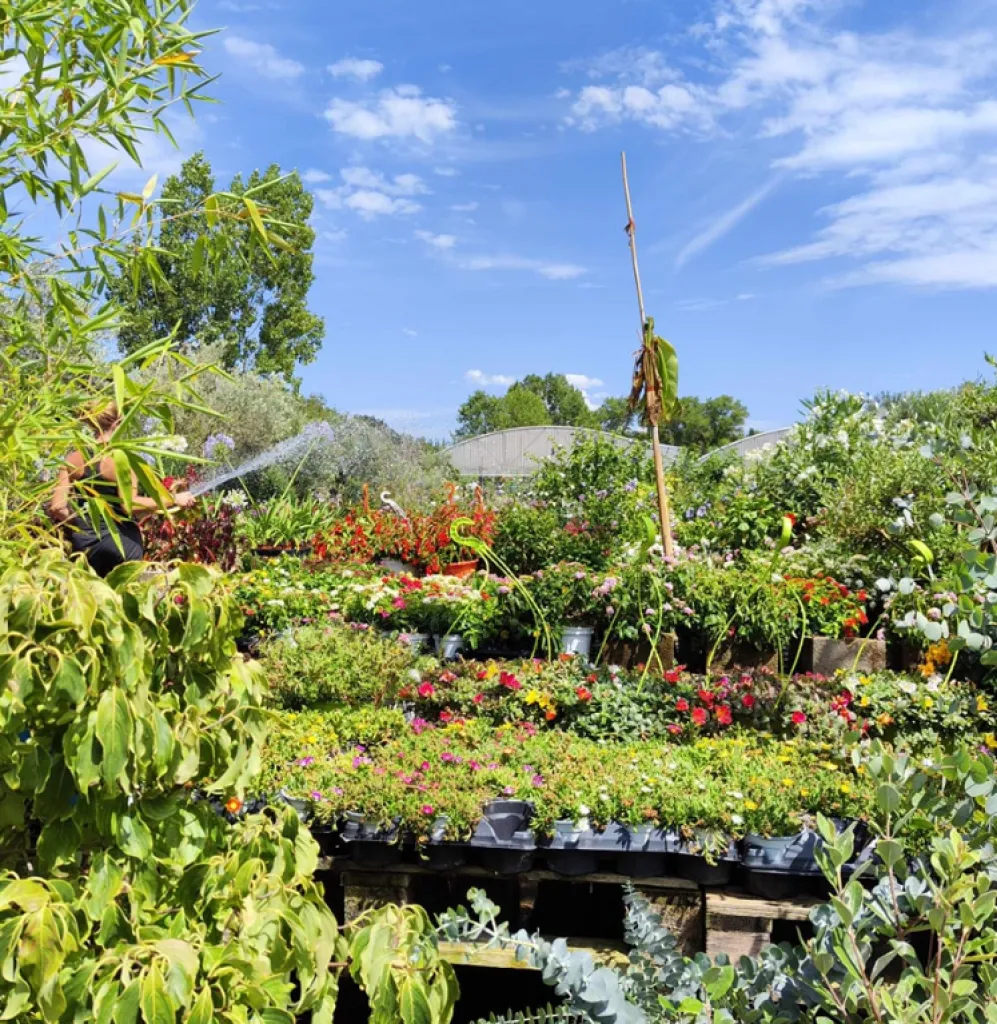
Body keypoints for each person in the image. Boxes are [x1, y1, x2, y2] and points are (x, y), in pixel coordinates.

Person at [48, 401, 196, 577]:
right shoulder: (123, 459)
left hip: (85, 546)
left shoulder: (72, 459)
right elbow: (129, 504)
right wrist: (173, 499)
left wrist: (83, 525)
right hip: (122, 543)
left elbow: (57, 507)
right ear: (119, 423)